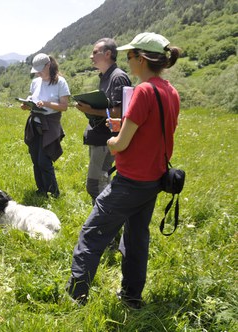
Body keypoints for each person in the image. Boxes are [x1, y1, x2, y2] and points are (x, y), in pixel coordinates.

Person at [65, 32, 181, 309]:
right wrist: (123, 126)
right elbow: (153, 131)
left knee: (92, 234)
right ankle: (131, 297)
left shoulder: (143, 91)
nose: (127, 62)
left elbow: (119, 146)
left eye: (130, 56)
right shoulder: (170, 91)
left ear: (141, 59)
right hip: (153, 180)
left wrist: (111, 138)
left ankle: (75, 296)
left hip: (129, 181)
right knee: (136, 239)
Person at [75, 38, 131, 204]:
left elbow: (120, 111)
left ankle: (104, 223)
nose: (91, 57)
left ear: (107, 54)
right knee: (102, 180)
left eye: (94, 52)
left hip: (106, 138)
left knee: (95, 184)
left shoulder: (118, 77)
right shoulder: (106, 77)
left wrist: (90, 110)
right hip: (100, 137)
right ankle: (106, 223)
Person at [21, 53, 70, 198]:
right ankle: (41, 190)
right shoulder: (36, 82)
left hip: (50, 124)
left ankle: (53, 193)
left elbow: (64, 106)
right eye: (36, 71)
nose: (38, 73)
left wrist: (47, 103)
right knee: (35, 159)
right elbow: (32, 98)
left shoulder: (60, 82)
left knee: (44, 160)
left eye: (40, 70)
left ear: (48, 66)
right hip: (35, 122)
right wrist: (26, 104)